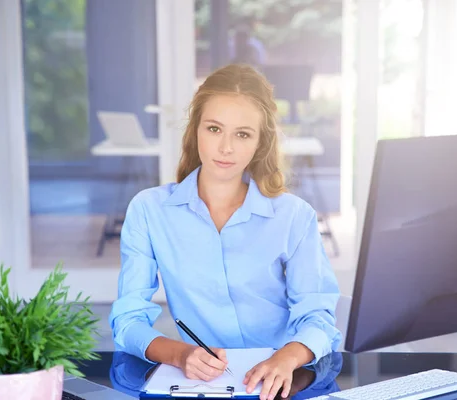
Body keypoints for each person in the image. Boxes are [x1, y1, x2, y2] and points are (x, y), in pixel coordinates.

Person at [109, 64, 341, 400]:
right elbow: (128, 321)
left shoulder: (294, 216)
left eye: (243, 134)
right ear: (196, 130)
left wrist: (286, 358)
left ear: (261, 143)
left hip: (283, 383)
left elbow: (319, 317)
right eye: (214, 129)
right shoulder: (148, 211)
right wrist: (180, 354)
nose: (226, 147)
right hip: (200, 385)